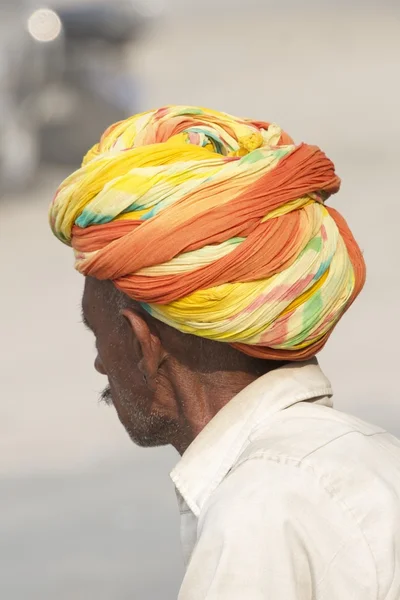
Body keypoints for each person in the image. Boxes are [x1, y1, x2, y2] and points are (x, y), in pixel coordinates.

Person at [49, 105, 400, 599]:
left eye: (98, 336)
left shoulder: (258, 512)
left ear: (139, 341)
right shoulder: (377, 459)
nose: (101, 364)